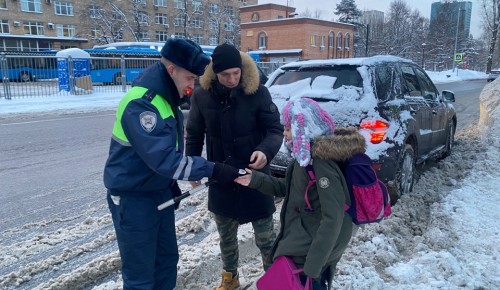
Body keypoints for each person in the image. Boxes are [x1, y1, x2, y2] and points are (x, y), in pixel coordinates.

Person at [103, 38, 242, 290]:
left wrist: (167, 184)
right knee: (141, 276)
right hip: (133, 199)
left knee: (166, 261)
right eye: (190, 78)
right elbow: (165, 159)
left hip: (156, 193)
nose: (192, 85)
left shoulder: (166, 98)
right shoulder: (141, 104)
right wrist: (213, 169)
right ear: (171, 71)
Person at [235, 98, 363, 290]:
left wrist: (313, 266)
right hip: (305, 243)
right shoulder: (304, 159)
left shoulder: (321, 163)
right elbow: (288, 188)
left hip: (313, 252)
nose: (284, 134)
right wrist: (255, 180)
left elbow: (333, 218)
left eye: (288, 129)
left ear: (303, 129)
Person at [185, 43, 283, 290]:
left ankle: (276, 280)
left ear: (242, 70)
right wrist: (192, 167)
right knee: (226, 238)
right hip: (221, 177)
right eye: (225, 74)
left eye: (236, 73)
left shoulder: (258, 93)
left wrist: (265, 150)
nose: (231, 79)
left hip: (256, 177)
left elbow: (274, 130)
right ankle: (230, 278)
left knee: (266, 238)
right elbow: (195, 133)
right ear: (214, 73)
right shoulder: (201, 95)